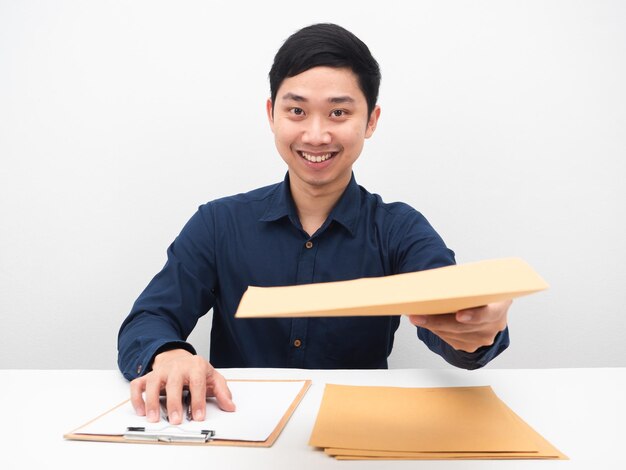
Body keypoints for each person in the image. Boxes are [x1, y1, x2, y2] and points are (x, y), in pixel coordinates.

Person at [118, 23, 511, 425]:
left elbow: (449, 311)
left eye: (339, 112)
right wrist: (169, 354)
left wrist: (475, 330)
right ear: (271, 114)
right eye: (297, 111)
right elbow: (149, 318)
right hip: (237, 427)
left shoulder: (399, 229)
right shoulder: (218, 223)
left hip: (358, 432)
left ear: (371, 121)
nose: (316, 134)